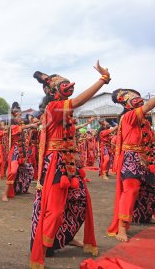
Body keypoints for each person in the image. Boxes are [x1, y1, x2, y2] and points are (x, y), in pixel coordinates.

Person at [30, 62, 109, 268]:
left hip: (69, 161)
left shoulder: (64, 110)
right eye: (64, 85)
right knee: (55, 210)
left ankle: (64, 236)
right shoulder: (54, 107)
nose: (69, 86)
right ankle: (45, 245)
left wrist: (76, 155)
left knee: (79, 201)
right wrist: (102, 81)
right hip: (56, 163)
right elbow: (77, 102)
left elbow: (70, 135)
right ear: (54, 91)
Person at [107, 77, 155, 242]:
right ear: (126, 102)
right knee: (131, 190)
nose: (139, 99)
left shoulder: (143, 121)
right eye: (132, 96)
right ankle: (122, 227)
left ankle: (149, 216)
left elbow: (152, 139)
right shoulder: (129, 116)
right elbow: (149, 106)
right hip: (130, 158)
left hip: (145, 159)